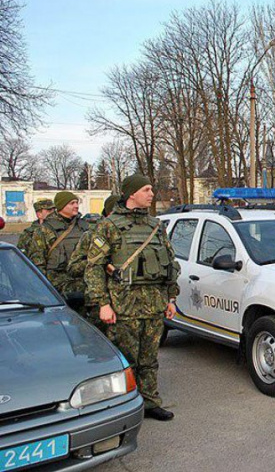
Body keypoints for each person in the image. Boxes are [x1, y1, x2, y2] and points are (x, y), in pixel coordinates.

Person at [85, 174, 180, 421]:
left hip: (154, 304)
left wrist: (171, 298)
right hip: (123, 305)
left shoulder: (155, 226)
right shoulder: (109, 226)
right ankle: (124, 406)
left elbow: (170, 264)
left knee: (149, 358)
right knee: (125, 360)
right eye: (146, 189)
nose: (151, 194)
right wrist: (103, 303)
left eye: (151, 189)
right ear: (132, 194)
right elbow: (94, 267)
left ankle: (150, 402)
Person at [27, 192, 89, 312]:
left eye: (77, 203)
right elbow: (38, 263)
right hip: (58, 289)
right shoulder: (45, 230)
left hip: (85, 285)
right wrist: (45, 293)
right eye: (72, 203)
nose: (76, 206)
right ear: (61, 206)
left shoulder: (85, 227)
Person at [67, 194, 120, 332]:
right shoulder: (91, 234)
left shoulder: (127, 233)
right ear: (110, 212)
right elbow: (73, 268)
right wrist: (96, 262)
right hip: (98, 304)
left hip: (125, 302)